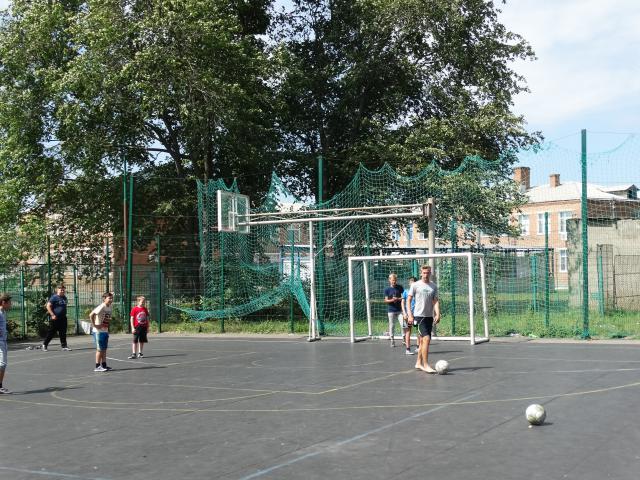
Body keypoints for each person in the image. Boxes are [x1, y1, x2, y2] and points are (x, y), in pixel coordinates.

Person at [407, 265, 440, 373]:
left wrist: (438, 314)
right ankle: (426, 365)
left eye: (428, 272)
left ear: (430, 273)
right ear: (421, 273)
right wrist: (410, 315)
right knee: (426, 339)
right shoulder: (415, 285)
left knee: (422, 341)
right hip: (418, 317)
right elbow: (408, 300)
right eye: (424, 273)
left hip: (429, 317)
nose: (426, 274)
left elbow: (435, 301)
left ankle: (418, 363)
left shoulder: (433, 286)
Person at [90, 292, 114, 372]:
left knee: (104, 349)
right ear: (104, 299)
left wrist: (108, 320)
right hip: (98, 331)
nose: (111, 300)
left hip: (105, 330)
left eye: (111, 298)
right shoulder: (101, 306)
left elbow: (106, 317)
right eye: (109, 298)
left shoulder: (110, 307)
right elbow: (91, 315)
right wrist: (94, 325)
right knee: (99, 349)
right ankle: (97, 366)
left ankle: (104, 365)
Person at [42, 284, 71, 351]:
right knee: (52, 332)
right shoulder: (54, 297)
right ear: (57, 290)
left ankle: (64, 346)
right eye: (61, 290)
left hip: (63, 318)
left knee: (63, 332)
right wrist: (52, 315)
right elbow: (48, 306)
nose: (63, 291)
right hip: (55, 318)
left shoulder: (64, 297)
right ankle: (44, 344)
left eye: (63, 290)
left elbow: (64, 306)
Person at [383, 273, 404, 347]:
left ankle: (404, 338)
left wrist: (398, 299)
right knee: (392, 325)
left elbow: (403, 297)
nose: (394, 282)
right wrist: (392, 300)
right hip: (391, 310)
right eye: (392, 280)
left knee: (403, 324)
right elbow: (385, 300)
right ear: (389, 280)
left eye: (395, 280)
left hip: (399, 310)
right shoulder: (387, 289)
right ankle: (392, 340)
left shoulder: (400, 287)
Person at [401, 276, 418, 355]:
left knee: (419, 331)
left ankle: (418, 347)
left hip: (418, 314)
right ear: (409, 283)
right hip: (408, 314)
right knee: (408, 331)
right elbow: (403, 302)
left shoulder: (418, 292)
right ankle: (408, 349)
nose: (412, 284)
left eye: (414, 282)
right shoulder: (406, 291)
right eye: (411, 282)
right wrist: (404, 313)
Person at [0, 293, 12, 394]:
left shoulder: (3, 312)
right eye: (9, 303)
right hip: (0, 341)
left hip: (3, 340)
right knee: (2, 364)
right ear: (4, 302)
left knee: (2, 364)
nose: (11, 304)